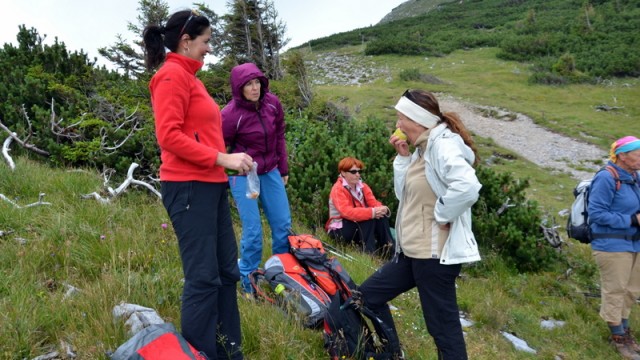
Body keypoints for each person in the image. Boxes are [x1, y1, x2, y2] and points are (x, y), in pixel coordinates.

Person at [143, 9, 252, 360]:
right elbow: (169, 137)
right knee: (203, 278)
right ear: (186, 40)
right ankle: (199, 354)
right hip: (188, 188)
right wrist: (224, 159)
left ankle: (228, 351)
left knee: (225, 272)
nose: (209, 49)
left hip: (210, 185)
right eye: (205, 42)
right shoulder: (171, 77)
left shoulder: (192, 78)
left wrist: (229, 161)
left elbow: (197, 132)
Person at [359, 89, 482, 360]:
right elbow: (405, 196)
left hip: (434, 256)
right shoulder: (421, 149)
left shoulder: (442, 145)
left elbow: (468, 187)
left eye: (401, 118)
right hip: (412, 253)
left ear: (417, 120)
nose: (397, 125)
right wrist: (403, 157)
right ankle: (392, 353)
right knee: (366, 297)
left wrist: (440, 215)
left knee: (443, 328)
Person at [221, 62, 292, 296]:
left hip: (270, 170)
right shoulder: (230, 115)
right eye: (248, 84)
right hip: (244, 175)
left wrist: (283, 169)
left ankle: (281, 274)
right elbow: (218, 149)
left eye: (257, 83)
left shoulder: (273, 104)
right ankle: (247, 281)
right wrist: (232, 173)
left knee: (282, 226)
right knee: (252, 230)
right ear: (238, 88)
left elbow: (279, 135)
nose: (254, 88)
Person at [588, 136, 640, 360]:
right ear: (622, 156)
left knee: (631, 291)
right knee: (615, 290)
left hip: (635, 243)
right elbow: (597, 214)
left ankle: (625, 333)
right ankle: (618, 338)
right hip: (611, 244)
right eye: (638, 153)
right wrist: (632, 220)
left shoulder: (636, 177)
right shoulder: (606, 178)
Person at [325, 156, 394, 256]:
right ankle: (369, 255)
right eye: (353, 172)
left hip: (357, 225)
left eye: (358, 171)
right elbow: (347, 212)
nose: (357, 175)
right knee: (368, 218)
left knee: (381, 217)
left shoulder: (363, 186)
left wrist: (383, 209)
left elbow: (373, 203)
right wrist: (372, 212)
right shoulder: (338, 189)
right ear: (343, 173)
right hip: (339, 230)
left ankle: (389, 250)